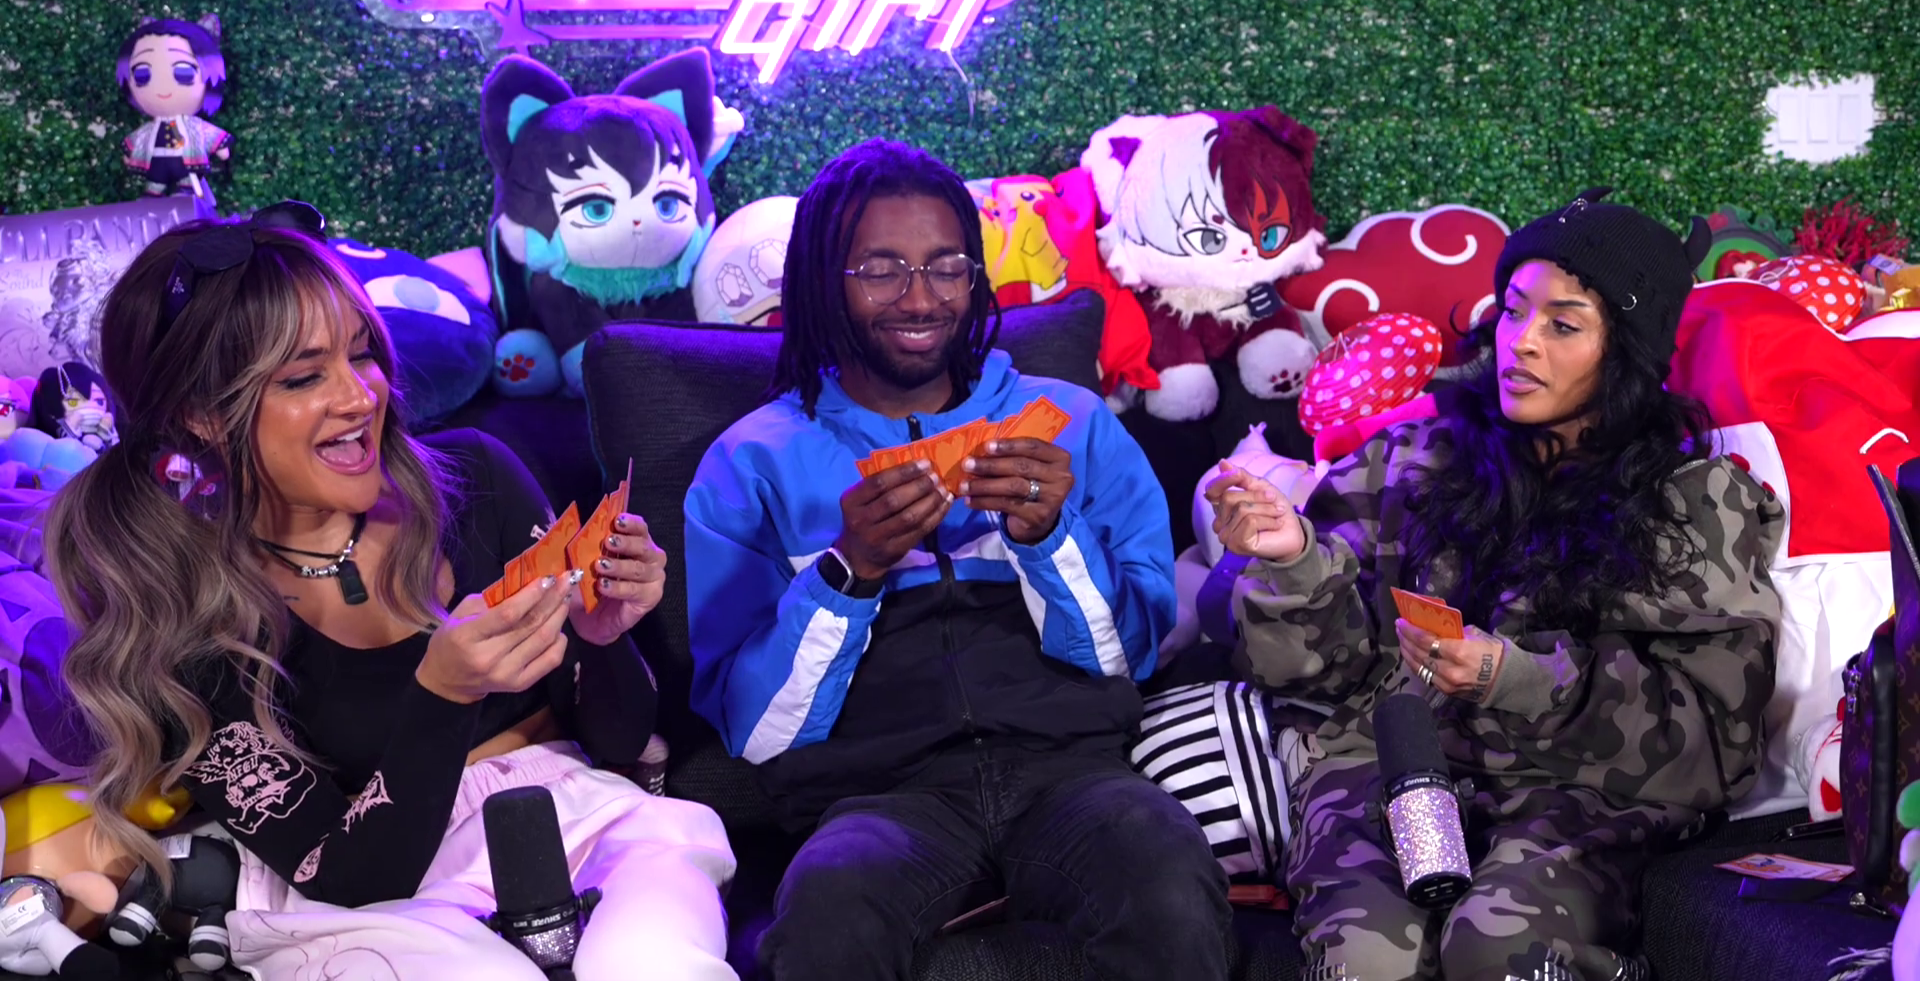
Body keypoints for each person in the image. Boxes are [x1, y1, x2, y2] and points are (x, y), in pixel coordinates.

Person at [45, 204, 737, 981]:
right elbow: (350, 877)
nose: (360, 395)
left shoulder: (478, 478)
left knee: (653, 961)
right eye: (304, 376)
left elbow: (617, 741)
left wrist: (603, 641)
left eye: (363, 353)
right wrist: (443, 695)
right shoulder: (182, 619)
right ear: (201, 417)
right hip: (375, 897)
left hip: (582, 817)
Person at [684, 139, 1231, 980]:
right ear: (822, 281)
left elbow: (1135, 657)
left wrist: (1049, 540)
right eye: (880, 270)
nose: (920, 298)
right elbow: (755, 733)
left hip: (1071, 774)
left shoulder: (1074, 421)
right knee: (827, 916)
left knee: (1166, 874)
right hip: (877, 799)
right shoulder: (749, 462)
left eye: (946, 268)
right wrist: (848, 572)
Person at [1205, 188, 1783, 981]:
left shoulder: (1689, 502)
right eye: (1513, 311)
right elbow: (1320, 675)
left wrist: (1514, 678)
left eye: (1563, 325)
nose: (1522, 343)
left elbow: (1716, 743)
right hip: (1394, 768)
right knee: (1369, 964)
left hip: (1576, 790)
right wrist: (1293, 560)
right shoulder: (1412, 459)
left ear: (1627, 351)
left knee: (1497, 950)